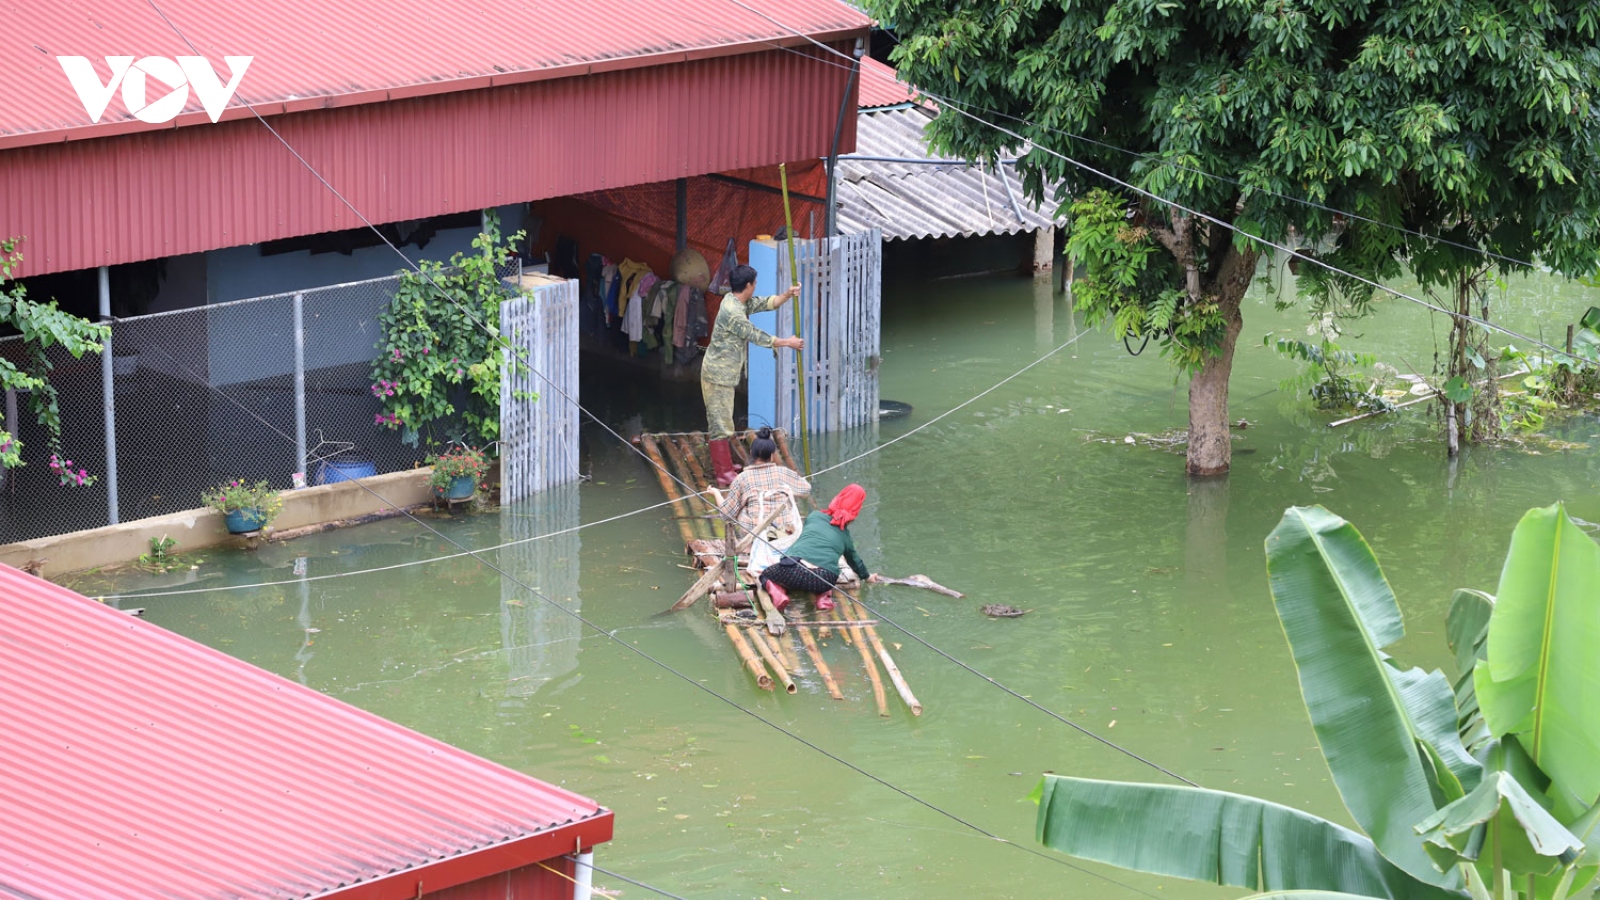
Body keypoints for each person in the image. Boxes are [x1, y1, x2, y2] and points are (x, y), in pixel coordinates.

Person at [702, 264, 803, 487]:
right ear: (748, 285)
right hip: (717, 373)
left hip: (725, 373)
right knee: (720, 423)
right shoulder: (733, 312)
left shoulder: (736, 299)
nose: (756, 287)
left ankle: (727, 467)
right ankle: (723, 474)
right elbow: (755, 335)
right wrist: (788, 342)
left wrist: (787, 294)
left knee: (725, 419)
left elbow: (764, 303)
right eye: (755, 283)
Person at [759, 483, 881, 612]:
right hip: (823, 579)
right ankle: (823, 597)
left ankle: (779, 594)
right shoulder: (846, 538)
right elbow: (855, 561)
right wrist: (868, 577)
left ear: (838, 498)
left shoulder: (814, 516)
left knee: (765, 575)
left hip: (792, 570)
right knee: (830, 572)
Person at [717, 427, 810, 543]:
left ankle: (751, 545)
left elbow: (726, 514)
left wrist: (716, 494)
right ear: (771, 456)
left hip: (757, 535)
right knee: (787, 502)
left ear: (751, 453)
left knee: (740, 508)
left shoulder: (742, 478)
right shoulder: (783, 472)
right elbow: (805, 489)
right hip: (784, 533)